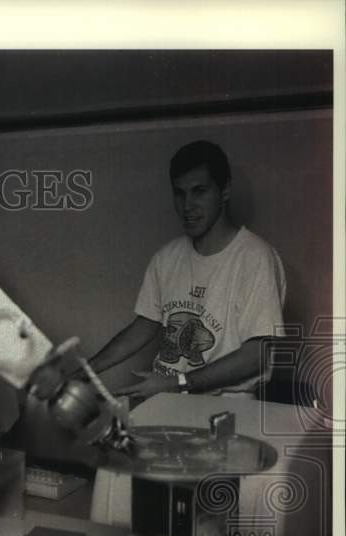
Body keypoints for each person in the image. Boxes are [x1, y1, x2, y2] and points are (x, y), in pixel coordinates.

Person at [77, 140, 286, 400]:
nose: (187, 205)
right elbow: (145, 324)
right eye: (179, 193)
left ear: (225, 191)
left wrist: (179, 383)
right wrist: (86, 371)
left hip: (227, 408)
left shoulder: (255, 257)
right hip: (166, 396)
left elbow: (257, 355)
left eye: (199, 191)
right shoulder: (167, 257)